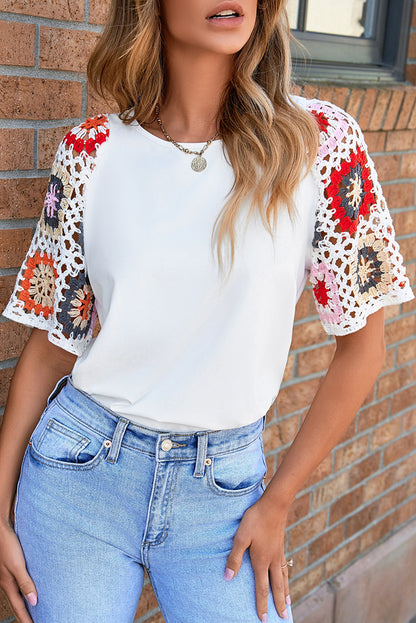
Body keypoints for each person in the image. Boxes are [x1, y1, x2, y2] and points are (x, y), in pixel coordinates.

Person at [0, 0, 414, 622]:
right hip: (77, 478)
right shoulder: (90, 153)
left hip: (223, 494)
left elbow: (364, 348)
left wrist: (279, 502)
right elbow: (54, 342)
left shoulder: (320, 144)